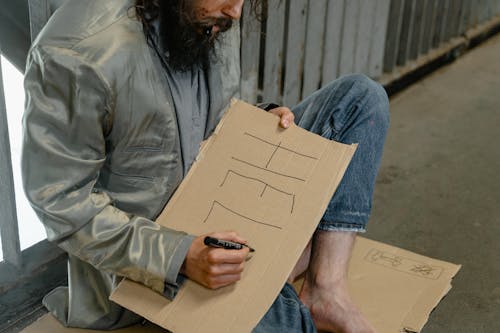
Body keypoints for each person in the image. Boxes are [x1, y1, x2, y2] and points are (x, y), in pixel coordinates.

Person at [22, 0, 389, 332]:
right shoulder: (77, 53)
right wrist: (179, 256)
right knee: (284, 327)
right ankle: (282, 274)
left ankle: (326, 288)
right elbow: (61, 203)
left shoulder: (205, 13)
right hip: (152, 263)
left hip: (226, 200)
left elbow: (207, 116)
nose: (237, 11)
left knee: (361, 99)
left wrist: (260, 120)